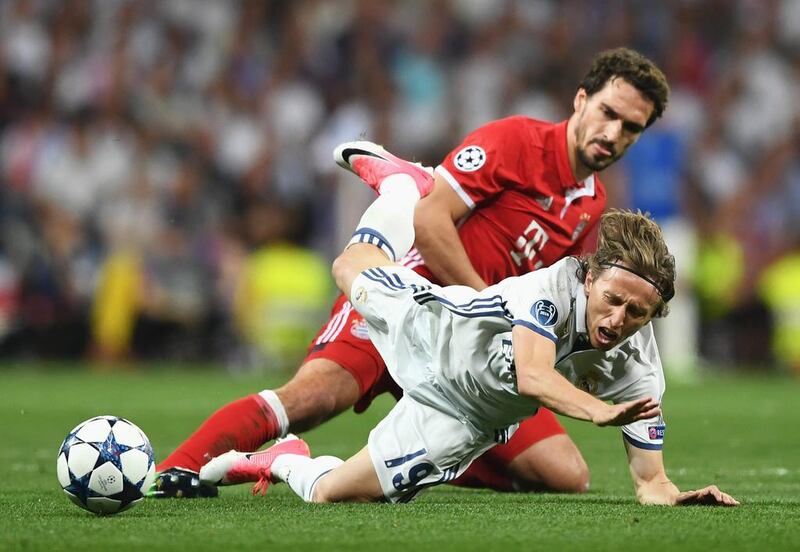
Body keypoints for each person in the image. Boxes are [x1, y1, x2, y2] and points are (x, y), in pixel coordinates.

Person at [151, 47, 670, 498]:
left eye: (631, 128)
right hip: (414, 305)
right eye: (608, 113)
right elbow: (430, 222)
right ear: (581, 99)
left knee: (566, 474)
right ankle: (171, 471)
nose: (613, 133)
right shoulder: (517, 142)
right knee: (312, 398)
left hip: (473, 356)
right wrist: (487, 306)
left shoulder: (591, 203)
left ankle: (419, 459)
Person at [198, 171, 738, 506]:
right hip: (437, 330)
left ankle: (282, 459)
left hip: (467, 418)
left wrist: (679, 496)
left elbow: (651, 483)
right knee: (349, 266)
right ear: (589, 276)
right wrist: (597, 411)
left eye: (637, 313)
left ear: (654, 316)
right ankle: (401, 184)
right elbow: (533, 374)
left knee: (332, 494)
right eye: (613, 300)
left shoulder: (640, 370)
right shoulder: (554, 288)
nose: (619, 318)